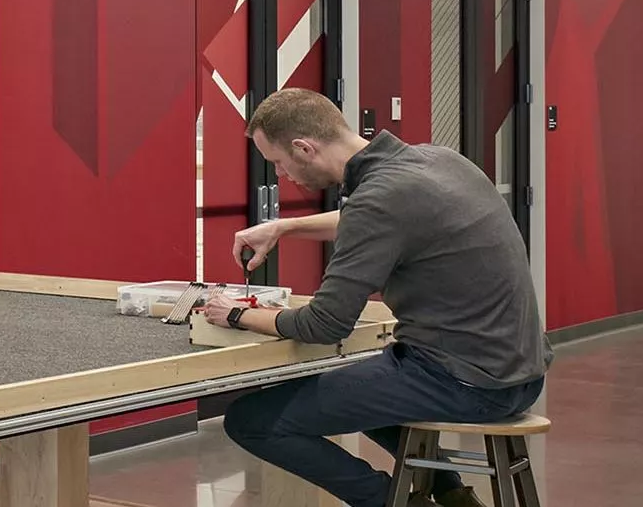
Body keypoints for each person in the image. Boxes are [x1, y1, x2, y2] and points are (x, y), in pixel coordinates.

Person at [205, 88, 548, 507]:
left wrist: (237, 314)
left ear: (303, 148)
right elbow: (368, 217)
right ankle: (451, 494)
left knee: (251, 420)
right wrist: (283, 228)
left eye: (278, 162)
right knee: (358, 388)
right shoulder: (438, 161)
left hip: (467, 384)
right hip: (522, 374)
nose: (280, 175)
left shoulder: (379, 199)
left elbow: (324, 325)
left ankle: (393, 501)